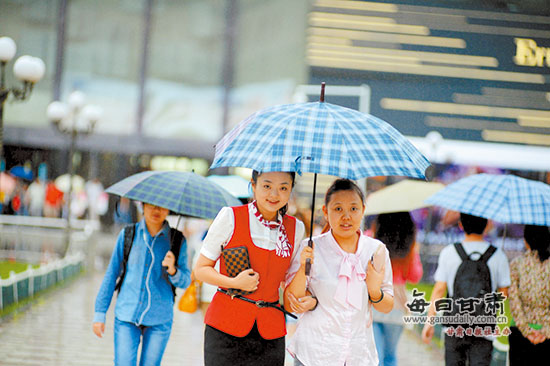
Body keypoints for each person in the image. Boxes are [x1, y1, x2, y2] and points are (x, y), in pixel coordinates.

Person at [194, 170, 306, 366]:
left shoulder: (296, 228)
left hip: (270, 333)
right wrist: (233, 282)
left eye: (283, 188)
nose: (274, 194)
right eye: (267, 186)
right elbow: (201, 269)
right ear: (253, 186)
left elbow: (288, 285)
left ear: (290, 191)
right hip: (225, 328)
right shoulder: (230, 217)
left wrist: (305, 266)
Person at [285, 178, 394, 366]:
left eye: (353, 208)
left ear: (363, 210)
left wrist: (374, 291)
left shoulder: (376, 251)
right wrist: (303, 266)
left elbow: (387, 306)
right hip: (315, 353)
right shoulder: (310, 248)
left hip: (358, 354)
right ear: (325, 212)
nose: (346, 216)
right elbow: (290, 303)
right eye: (338, 209)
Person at [93, 203, 191, 366]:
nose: (157, 210)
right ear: (142, 206)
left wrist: (173, 270)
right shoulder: (128, 235)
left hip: (160, 318)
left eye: (162, 206)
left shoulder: (177, 241)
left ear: (169, 209)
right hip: (127, 315)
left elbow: (186, 280)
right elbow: (111, 275)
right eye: (152, 205)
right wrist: (99, 313)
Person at [421, 213, 511, 366]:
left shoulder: (449, 252)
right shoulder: (498, 255)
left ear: (461, 225)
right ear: (486, 226)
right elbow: (504, 294)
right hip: (484, 328)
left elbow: (439, 290)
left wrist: (429, 322)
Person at [372, 212, 423, 366]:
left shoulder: (371, 240)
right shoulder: (408, 247)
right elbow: (415, 276)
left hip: (374, 300)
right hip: (396, 305)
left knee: (375, 356)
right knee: (390, 355)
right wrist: (415, 252)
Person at [508, 224, 550, 364]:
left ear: (526, 241)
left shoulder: (516, 264)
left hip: (520, 333)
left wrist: (527, 331)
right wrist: (546, 330)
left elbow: (514, 301)